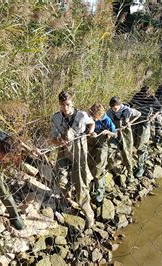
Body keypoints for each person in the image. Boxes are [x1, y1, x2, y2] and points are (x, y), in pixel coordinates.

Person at [50, 91, 96, 228]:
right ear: (59, 104)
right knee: (60, 177)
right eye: (62, 105)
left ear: (72, 103)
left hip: (79, 149)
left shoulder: (81, 115)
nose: (66, 108)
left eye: (68, 105)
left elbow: (92, 123)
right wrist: (59, 142)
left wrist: (89, 132)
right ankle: (68, 198)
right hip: (63, 149)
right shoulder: (56, 118)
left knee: (80, 182)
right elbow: (52, 138)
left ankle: (88, 212)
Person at [130, 86, 162, 177]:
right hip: (134, 122)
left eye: (146, 95)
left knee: (141, 146)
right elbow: (130, 104)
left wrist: (152, 117)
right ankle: (144, 155)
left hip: (145, 124)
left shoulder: (152, 99)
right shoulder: (137, 95)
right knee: (134, 143)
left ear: (149, 95)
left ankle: (141, 167)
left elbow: (159, 109)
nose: (144, 97)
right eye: (143, 95)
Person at [87, 103, 117, 204]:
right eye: (93, 117)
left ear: (100, 115)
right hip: (90, 145)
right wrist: (90, 132)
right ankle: (91, 189)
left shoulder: (107, 120)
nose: (94, 119)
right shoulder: (88, 118)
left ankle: (100, 193)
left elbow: (115, 134)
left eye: (96, 117)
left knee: (99, 169)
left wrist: (107, 132)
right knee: (90, 166)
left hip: (102, 147)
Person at [106, 96, 141, 178]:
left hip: (126, 134)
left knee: (127, 153)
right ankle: (112, 166)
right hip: (115, 133)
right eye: (112, 107)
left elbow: (139, 114)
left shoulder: (127, 110)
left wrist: (130, 122)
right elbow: (107, 122)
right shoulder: (109, 112)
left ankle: (130, 173)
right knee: (109, 151)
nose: (114, 109)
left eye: (115, 107)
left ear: (119, 105)